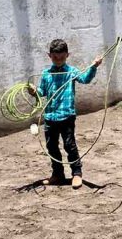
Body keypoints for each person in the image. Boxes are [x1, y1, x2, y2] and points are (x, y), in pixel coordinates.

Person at [28, 39, 103, 189]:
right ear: (49, 56)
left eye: (62, 57)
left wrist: (94, 66)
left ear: (67, 55)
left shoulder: (71, 72)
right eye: (55, 57)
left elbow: (85, 79)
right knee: (52, 147)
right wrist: (34, 91)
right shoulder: (46, 74)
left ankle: (76, 173)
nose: (58, 60)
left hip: (67, 115)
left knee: (70, 145)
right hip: (50, 117)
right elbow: (42, 92)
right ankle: (58, 175)